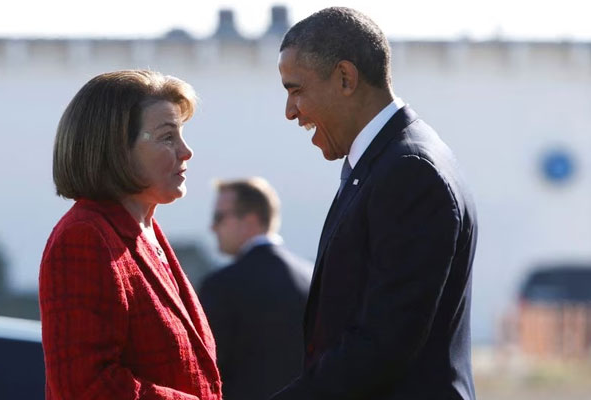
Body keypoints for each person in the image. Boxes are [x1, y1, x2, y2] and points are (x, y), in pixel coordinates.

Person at [272, 7, 478, 400]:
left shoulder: (410, 170)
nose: (290, 111)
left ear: (345, 78)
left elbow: (383, 343)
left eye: (296, 90)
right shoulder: (386, 161)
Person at [39, 70, 222, 400]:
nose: (186, 151)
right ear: (116, 149)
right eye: (167, 137)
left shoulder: (144, 232)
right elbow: (84, 388)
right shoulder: (85, 237)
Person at [199, 177, 312, 400]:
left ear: (250, 221)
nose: (212, 227)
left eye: (219, 217)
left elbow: (205, 368)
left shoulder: (223, 285)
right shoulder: (311, 277)